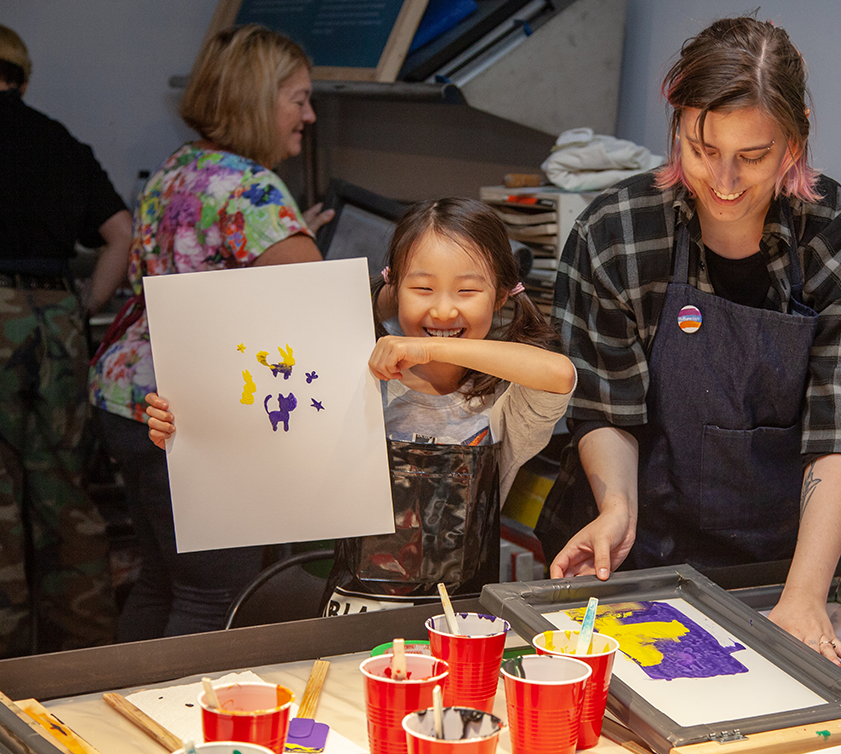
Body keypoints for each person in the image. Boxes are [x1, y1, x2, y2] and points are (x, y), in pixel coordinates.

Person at [536, 15, 841, 667]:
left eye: (752, 157)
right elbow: (606, 406)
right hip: (625, 570)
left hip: (764, 576)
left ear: (795, 140)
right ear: (676, 125)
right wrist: (616, 508)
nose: (724, 181)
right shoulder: (613, 234)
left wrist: (805, 596)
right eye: (702, 149)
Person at [146, 198, 575, 613]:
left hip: (459, 624)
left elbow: (559, 375)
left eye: (466, 290)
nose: (443, 309)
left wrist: (426, 349)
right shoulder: (351, 379)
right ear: (395, 288)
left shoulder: (503, 405)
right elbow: (262, 438)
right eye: (422, 288)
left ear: (501, 296)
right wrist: (187, 431)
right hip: (350, 614)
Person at [88, 24, 334, 640]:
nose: (308, 115)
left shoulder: (182, 166)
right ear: (259, 99)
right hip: (194, 412)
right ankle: (179, 730)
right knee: (213, 598)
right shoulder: (252, 190)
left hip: (128, 394)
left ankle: (122, 720)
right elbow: (322, 309)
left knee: (162, 582)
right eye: (298, 98)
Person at [0, 23, 131, 657]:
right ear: (21, 76)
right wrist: (83, 306)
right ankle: (82, 656)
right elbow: (119, 233)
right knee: (62, 488)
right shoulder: (59, 142)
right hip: (54, 321)